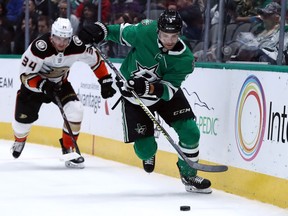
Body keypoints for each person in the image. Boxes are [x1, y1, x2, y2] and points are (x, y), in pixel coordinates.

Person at [79, 10, 212, 193]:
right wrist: (99, 29)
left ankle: (189, 174)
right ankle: (149, 153)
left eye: (173, 36)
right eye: (165, 35)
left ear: (179, 34)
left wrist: (148, 88)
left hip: (163, 95)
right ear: (158, 31)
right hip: (133, 98)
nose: (169, 40)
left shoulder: (185, 59)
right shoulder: (144, 31)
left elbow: (168, 90)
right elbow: (118, 32)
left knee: (190, 132)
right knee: (145, 150)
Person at [11, 17, 116, 168]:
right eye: (58, 38)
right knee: (21, 125)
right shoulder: (39, 48)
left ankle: (68, 150)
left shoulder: (77, 46)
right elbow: (25, 76)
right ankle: (19, 140)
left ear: (70, 37)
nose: (61, 43)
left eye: (65, 39)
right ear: (52, 35)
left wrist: (104, 80)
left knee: (76, 110)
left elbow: (95, 60)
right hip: (33, 88)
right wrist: (43, 85)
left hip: (60, 85)